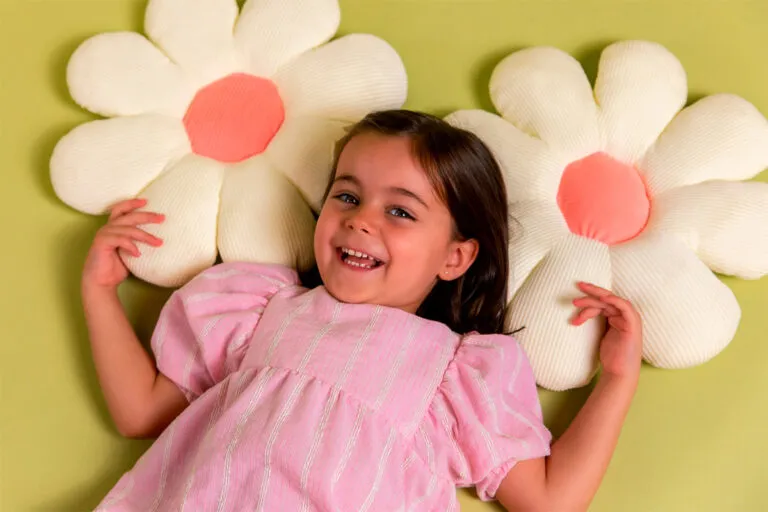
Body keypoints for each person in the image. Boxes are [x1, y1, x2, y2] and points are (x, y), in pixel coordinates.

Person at [82, 110, 642, 511]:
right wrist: (99, 292)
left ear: (455, 256)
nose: (360, 219)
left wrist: (616, 380)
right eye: (347, 196)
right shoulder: (261, 310)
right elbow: (142, 414)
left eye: (400, 210)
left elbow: (548, 499)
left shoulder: (454, 373)